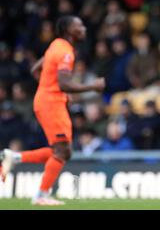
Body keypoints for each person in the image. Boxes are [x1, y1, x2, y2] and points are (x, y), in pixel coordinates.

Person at [0, 16, 105, 205]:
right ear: (68, 31)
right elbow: (64, 83)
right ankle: (41, 195)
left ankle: (14, 157)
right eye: (78, 26)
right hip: (52, 103)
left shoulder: (55, 45)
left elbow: (35, 70)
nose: (83, 29)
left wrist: (50, 87)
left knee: (63, 151)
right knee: (62, 151)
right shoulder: (65, 52)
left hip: (48, 100)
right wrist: (93, 86)